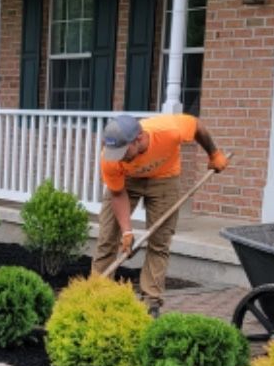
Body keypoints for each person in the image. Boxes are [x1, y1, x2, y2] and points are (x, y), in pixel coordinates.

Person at [90, 112, 228, 316]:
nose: (117, 156)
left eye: (122, 151)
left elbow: (198, 126)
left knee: (159, 242)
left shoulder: (169, 130)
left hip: (164, 178)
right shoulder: (110, 158)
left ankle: (151, 302)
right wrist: (127, 232)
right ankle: (97, 298)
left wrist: (213, 154)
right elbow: (118, 194)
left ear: (138, 139)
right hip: (128, 180)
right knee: (107, 237)